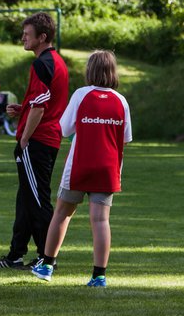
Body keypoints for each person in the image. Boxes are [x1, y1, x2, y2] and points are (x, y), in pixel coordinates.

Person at [31, 50, 132, 287]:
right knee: (100, 221)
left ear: (90, 70)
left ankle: (47, 264)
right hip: (108, 168)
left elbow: (64, 129)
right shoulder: (121, 100)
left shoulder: (81, 94)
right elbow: (125, 138)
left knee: (62, 213)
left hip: (79, 165)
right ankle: (99, 275)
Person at [0, 12, 69, 270]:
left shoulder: (42, 64)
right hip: (46, 138)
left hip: (38, 140)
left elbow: (41, 107)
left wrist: (24, 138)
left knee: (36, 200)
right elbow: (42, 102)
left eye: (28, 34)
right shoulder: (55, 61)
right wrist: (23, 108)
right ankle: (15, 255)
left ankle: (48, 258)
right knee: (26, 198)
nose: (23, 37)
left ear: (42, 37)